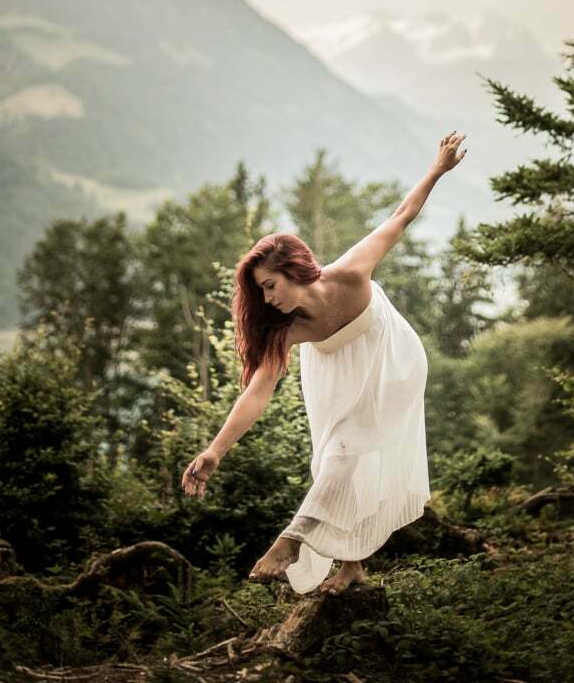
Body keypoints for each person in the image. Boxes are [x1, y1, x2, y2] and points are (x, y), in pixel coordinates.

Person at [181, 130, 468, 594]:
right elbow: (256, 392)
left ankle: (292, 540)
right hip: (336, 373)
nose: (267, 298)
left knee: (350, 449)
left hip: (391, 358)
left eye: (271, 285)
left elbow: (401, 215)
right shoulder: (284, 330)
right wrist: (215, 451)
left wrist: (437, 168)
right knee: (335, 460)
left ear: (295, 270)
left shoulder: (352, 273)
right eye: (260, 291)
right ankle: (352, 566)